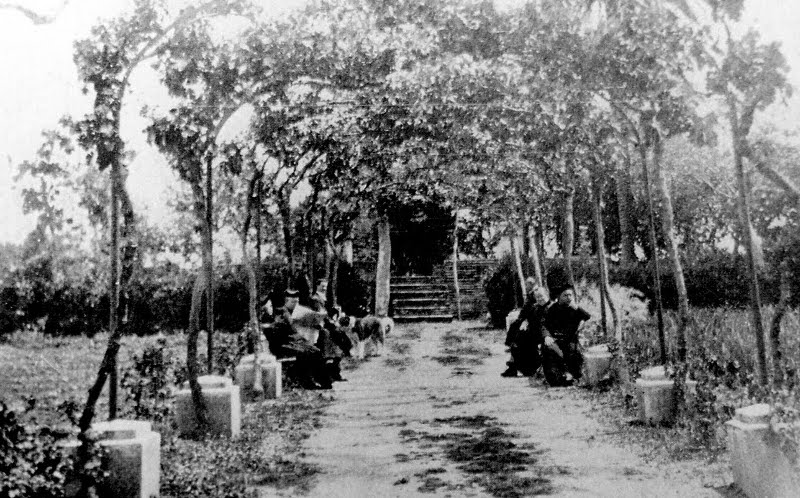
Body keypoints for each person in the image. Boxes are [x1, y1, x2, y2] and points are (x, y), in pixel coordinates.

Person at [264, 289, 333, 389]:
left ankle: (324, 382)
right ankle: (307, 382)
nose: (270, 307)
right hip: (280, 346)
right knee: (305, 353)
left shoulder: (282, 313)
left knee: (315, 351)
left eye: (270, 305)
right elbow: (275, 333)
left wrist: (301, 340)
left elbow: (291, 331)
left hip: (290, 342)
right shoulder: (273, 316)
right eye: (268, 306)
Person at [541, 286, 590, 387]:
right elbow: (544, 325)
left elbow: (587, 316)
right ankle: (558, 377)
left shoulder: (574, 308)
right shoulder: (551, 309)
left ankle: (571, 375)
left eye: (570, 295)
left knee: (574, 353)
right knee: (550, 350)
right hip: (555, 339)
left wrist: (577, 308)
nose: (569, 298)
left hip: (570, 340)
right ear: (559, 297)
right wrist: (546, 336)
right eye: (565, 295)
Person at [502, 283, 551, 378]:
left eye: (542, 296)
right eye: (537, 297)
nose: (540, 299)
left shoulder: (552, 307)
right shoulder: (535, 307)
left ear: (547, 295)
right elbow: (524, 316)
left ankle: (519, 366)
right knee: (518, 334)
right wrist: (525, 322)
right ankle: (514, 367)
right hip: (535, 333)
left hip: (547, 334)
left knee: (522, 338)